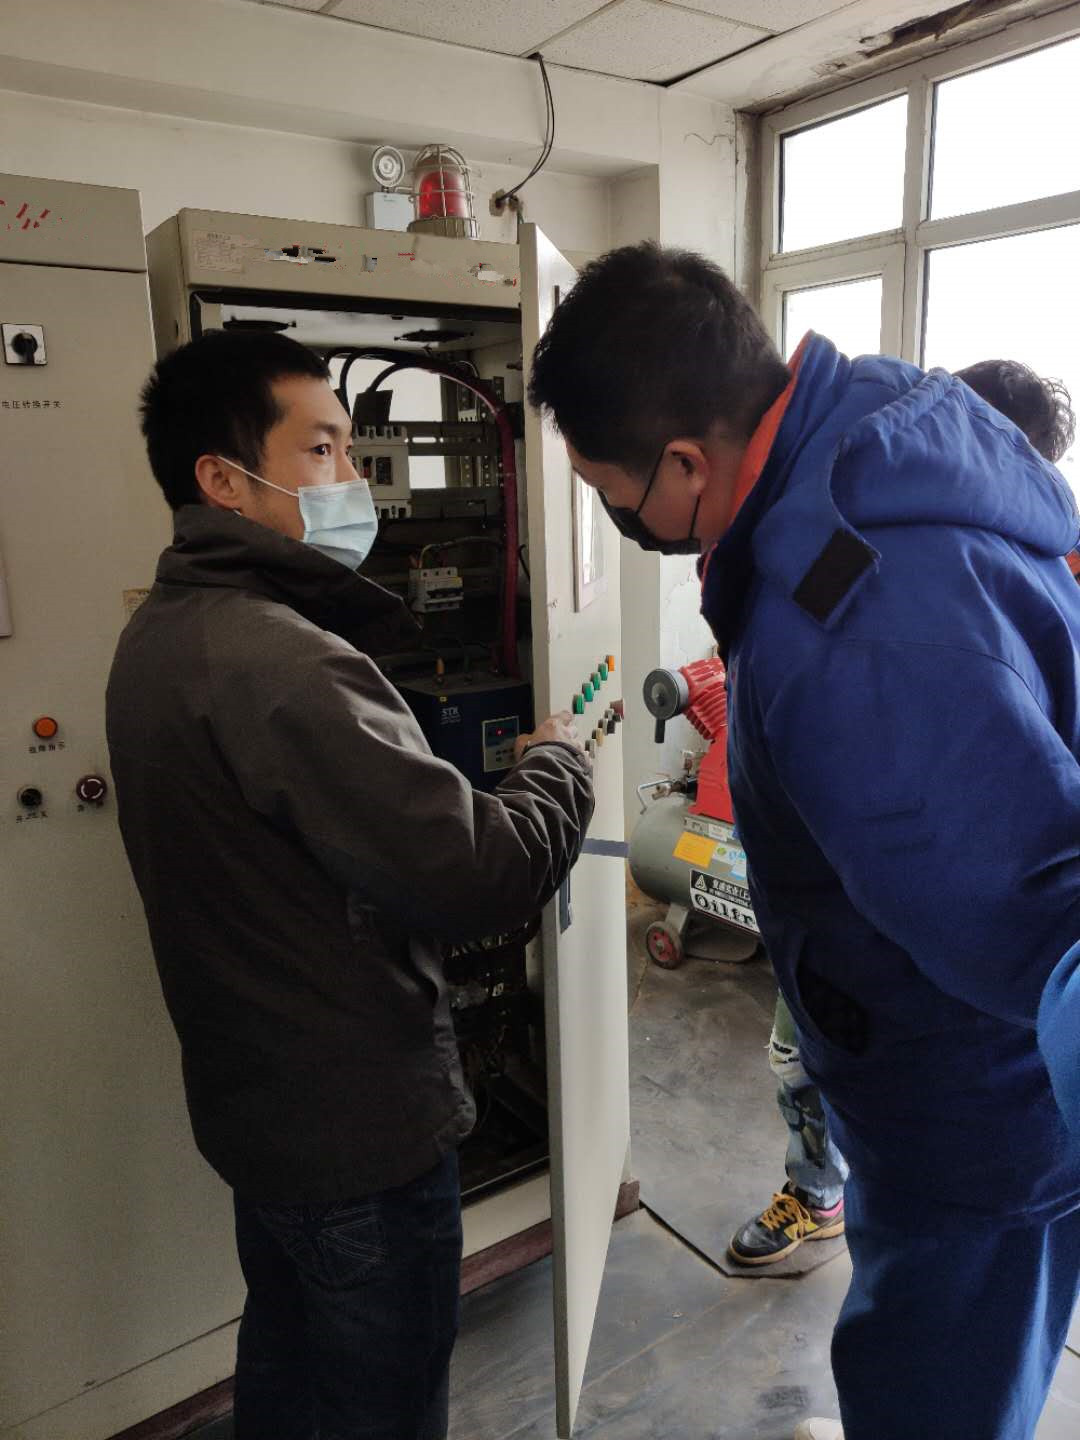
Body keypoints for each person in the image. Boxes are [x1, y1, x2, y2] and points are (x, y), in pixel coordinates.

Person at [528, 243, 1080, 1440]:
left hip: (973, 1121)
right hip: (943, 1086)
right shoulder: (874, 443)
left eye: (612, 492)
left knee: (938, 1389)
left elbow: (1028, 926)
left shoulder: (853, 630)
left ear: (685, 463)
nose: (618, 520)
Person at [106, 329, 594, 1440]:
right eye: (322, 449)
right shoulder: (283, 662)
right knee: (383, 1402)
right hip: (360, 1135)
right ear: (224, 480)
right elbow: (486, 874)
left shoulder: (158, 638)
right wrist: (556, 763)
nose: (352, 478)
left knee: (285, 1370)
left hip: (261, 1114)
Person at [727, 358, 1078, 1269]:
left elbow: (1009, 900)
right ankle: (818, 1183)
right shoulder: (896, 564)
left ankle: (821, 1183)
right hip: (899, 1039)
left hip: (973, 1087)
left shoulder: (918, 605)